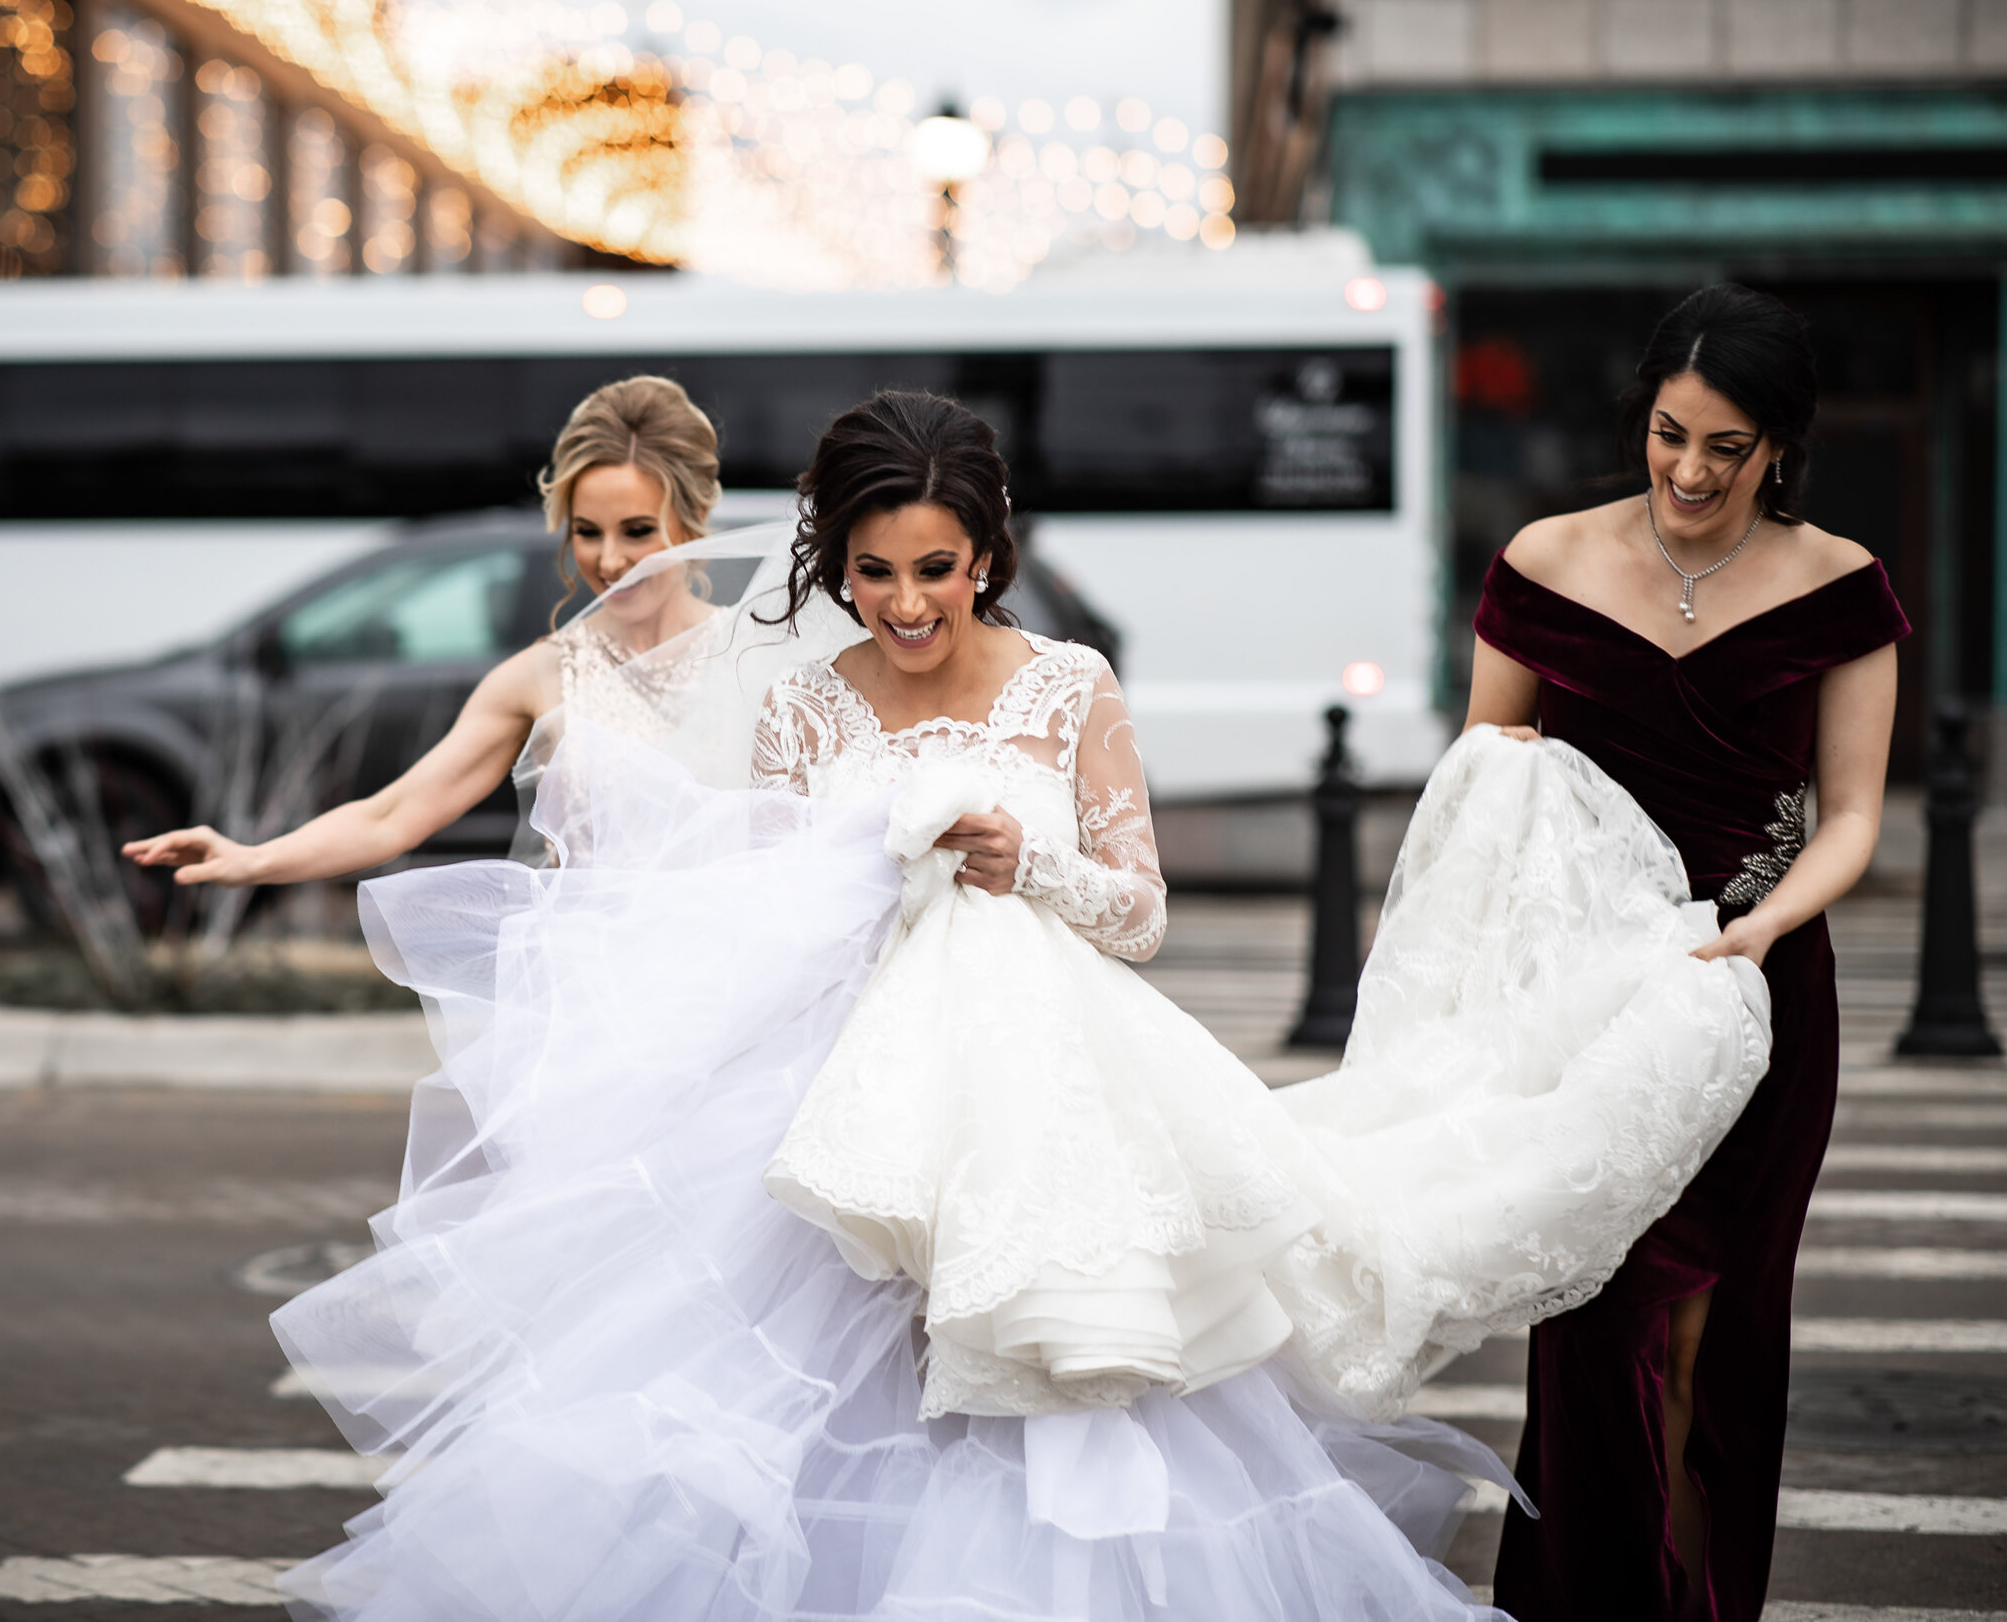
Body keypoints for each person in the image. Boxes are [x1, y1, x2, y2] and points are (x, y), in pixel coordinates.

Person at [265, 390, 1774, 1620]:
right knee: (847, 1401)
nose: (907, 602)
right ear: (835, 566)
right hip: (862, 1091)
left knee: (1073, 1376)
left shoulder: (1069, 684)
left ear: (987, 553)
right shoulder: (807, 702)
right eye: (873, 572)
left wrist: (1025, 856)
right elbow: (781, 911)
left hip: (1051, 1082)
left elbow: (1141, 909)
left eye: (937, 566)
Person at [1468, 284, 1909, 1622]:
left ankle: (1701, 1598)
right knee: (1603, 1316)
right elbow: (1485, 776)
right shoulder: (1545, 560)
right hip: (1592, 1006)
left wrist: (1769, 925)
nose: (1692, 469)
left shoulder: (1842, 586)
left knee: (1715, 1325)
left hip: (1762, 1001)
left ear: (1780, 446)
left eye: (1729, 445)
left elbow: (1852, 814)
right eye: (1672, 432)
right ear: (1639, 419)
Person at [119, 374, 727, 888]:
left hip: (741, 981)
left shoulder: (758, 654)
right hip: (601, 987)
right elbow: (393, 815)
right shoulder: (538, 677)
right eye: (588, 531)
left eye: (639, 531)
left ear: (694, 523)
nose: (610, 559)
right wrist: (253, 857)